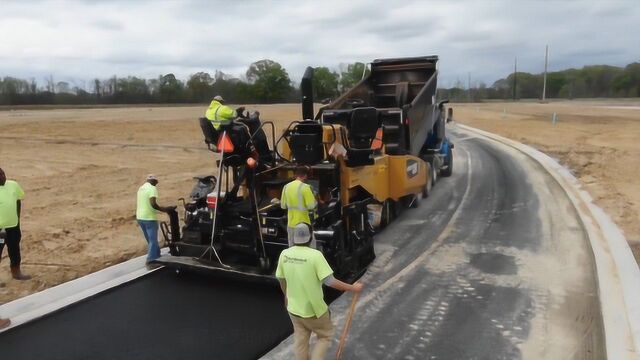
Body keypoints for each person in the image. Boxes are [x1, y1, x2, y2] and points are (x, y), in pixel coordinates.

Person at [275, 223, 363, 360]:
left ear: (294, 237)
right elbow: (330, 282)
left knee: (300, 340)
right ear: (311, 237)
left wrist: (286, 296)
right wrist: (353, 288)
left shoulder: (284, 255)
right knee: (325, 336)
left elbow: (281, 279)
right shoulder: (315, 256)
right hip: (314, 311)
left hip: (293, 309)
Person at [136, 174, 174, 269]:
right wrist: (164, 209)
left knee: (150, 239)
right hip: (149, 218)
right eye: (156, 182)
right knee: (153, 240)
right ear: (154, 181)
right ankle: (151, 261)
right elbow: (153, 204)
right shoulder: (152, 188)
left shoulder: (141, 188)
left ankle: (156, 255)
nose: (157, 184)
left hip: (140, 217)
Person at [0, 167, 31, 280]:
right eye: (0, 175)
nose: (3, 176)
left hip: (13, 227)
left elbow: (18, 200)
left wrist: (17, 219)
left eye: (3, 173)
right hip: (0, 230)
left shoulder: (13, 184)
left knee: (14, 250)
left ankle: (16, 271)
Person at [281, 166, 318, 247]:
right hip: (304, 225)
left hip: (291, 224)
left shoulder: (286, 187)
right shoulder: (306, 187)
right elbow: (311, 206)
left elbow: (283, 206)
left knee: (293, 249)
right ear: (305, 176)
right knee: (310, 249)